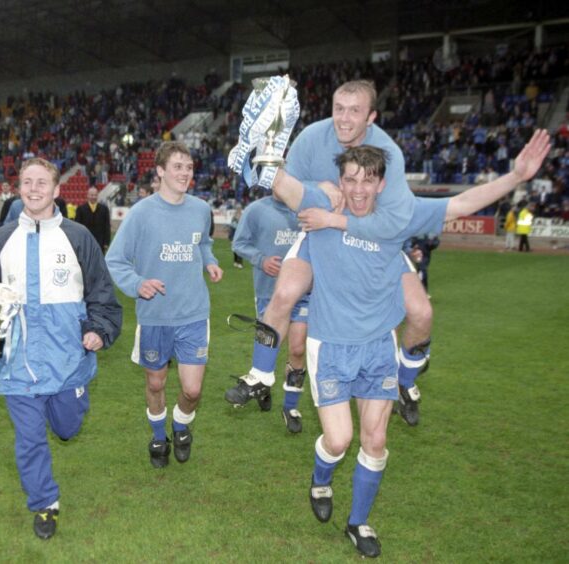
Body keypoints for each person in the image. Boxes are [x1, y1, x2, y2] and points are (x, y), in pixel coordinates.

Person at [268, 131, 549, 558]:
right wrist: (265, 155)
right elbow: (282, 186)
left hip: (379, 345)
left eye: (368, 181)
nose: (358, 190)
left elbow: (461, 204)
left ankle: (358, 522)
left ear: (382, 184)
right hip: (330, 346)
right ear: (339, 181)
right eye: (351, 180)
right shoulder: (322, 206)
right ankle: (321, 476)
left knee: (376, 441)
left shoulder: (400, 215)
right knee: (339, 441)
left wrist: (516, 176)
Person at [226, 80, 433, 428]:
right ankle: (260, 373)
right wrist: (315, 188)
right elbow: (282, 192)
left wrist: (339, 215)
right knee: (285, 293)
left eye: (355, 111)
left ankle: (405, 382)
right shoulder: (311, 138)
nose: (345, 118)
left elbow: (393, 217)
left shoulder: (389, 153)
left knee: (421, 312)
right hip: (319, 237)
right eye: (339, 108)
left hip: (371, 242)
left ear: (372, 116)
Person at [0, 157, 122, 540]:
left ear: (55, 190)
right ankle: (44, 503)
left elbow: (102, 293)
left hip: (69, 361)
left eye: (41, 183)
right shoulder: (1, 239)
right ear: (19, 189)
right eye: (27, 182)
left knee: (67, 428)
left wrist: (98, 331)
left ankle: (67, 414)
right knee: (30, 437)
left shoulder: (78, 237)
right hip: (16, 362)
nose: (34, 188)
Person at [106, 141, 223, 468]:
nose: (185, 173)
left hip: (193, 314)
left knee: (193, 390)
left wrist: (209, 261)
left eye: (189, 167)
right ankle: (159, 436)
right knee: (155, 383)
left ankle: (181, 426)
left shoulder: (200, 209)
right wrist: (137, 284)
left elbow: (204, 243)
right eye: (177, 167)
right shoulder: (141, 213)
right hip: (155, 316)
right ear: (160, 171)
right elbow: (115, 260)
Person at [230, 194, 308, 432]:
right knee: (269, 346)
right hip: (268, 292)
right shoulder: (256, 209)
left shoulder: (307, 208)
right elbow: (239, 243)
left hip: (304, 292)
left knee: (297, 348)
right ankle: (263, 383)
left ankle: (290, 406)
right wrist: (261, 260)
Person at [74, 187, 111, 252]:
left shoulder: (104, 209)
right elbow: (77, 227)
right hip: (84, 242)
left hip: (100, 242)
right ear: (87, 195)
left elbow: (107, 226)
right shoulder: (80, 209)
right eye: (91, 195)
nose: (93, 197)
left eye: (95, 195)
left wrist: (106, 242)